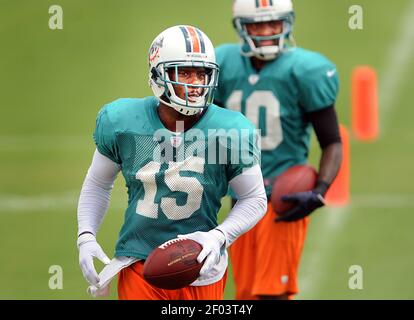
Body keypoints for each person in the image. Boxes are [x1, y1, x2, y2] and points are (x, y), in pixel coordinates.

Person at [76, 25, 267, 300]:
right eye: (184, 72)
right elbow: (98, 182)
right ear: (158, 75)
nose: (196, 83)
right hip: (139, 263)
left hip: (200, 266)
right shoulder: (122, 122)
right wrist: (86, 234)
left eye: (202, 74)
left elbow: (254, 198)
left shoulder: (231, 130)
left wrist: (220, 235)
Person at [214, 0, 343, 300]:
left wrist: (320, 189)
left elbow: (332, 141)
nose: (268, 31)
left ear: (288, 22)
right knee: (245, 295)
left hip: (281, 199)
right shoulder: (223, 63)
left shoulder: (306, 70)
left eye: (274, 23)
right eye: (259, 24)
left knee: (272, 295)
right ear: (242, 27)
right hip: (241, 200)